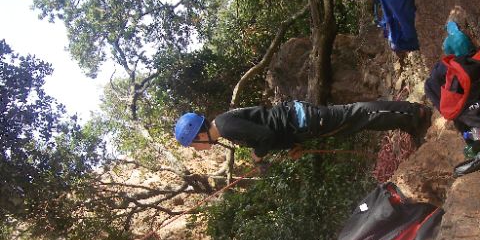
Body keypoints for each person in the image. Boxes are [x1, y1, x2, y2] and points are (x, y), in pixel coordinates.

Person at [174, 100, 432, 161]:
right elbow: (268, 130)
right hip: (300, 125)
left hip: (303, 120)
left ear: (198, 134)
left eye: (193, 144)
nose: (197, 149)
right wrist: (292, 147)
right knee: (356, 121)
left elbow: (265, 136)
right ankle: (407, 120)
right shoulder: (226, 127)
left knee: (358, 114)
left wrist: (258, 155)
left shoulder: (227, 126)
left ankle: (413, 112)